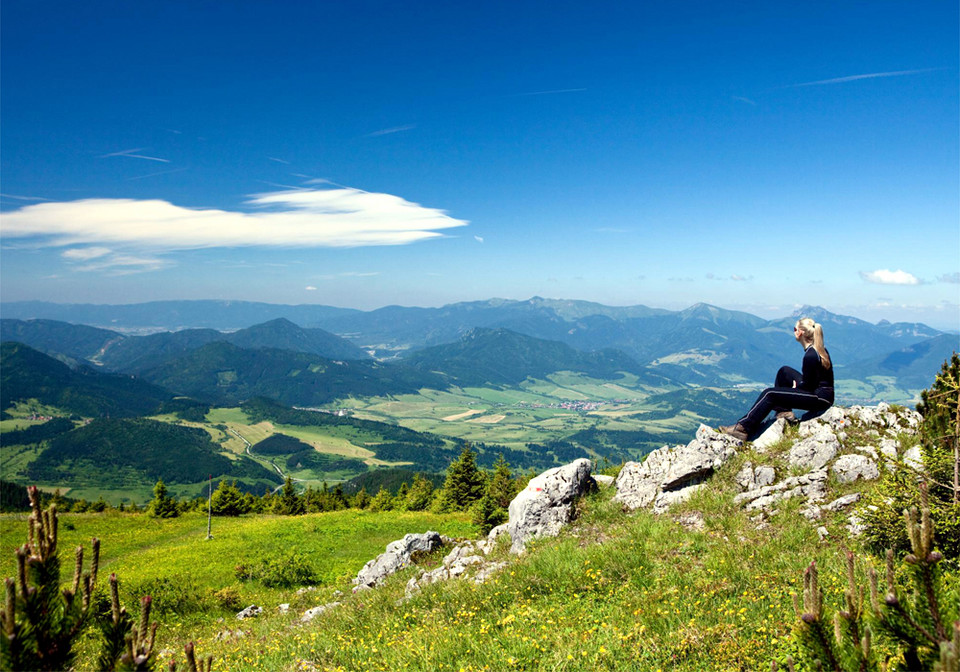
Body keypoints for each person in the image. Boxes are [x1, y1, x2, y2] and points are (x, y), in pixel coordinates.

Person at [720, 317, 834, 441]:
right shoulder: (817, 349)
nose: (794, 331)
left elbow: (808, 386)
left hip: (820, 399)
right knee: (784, 371)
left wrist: (798, 388)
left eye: (794, 329)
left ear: (800, 332)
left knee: (770, 394)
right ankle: (784, 412)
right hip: (822, 395)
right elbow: (813, 381)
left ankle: (742, 428)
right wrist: (799, 387)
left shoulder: (810, 355)